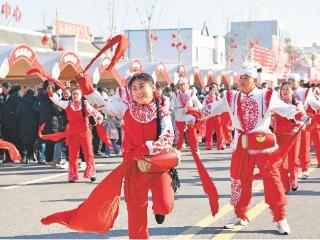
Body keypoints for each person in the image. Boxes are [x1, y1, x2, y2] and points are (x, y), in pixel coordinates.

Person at [191, 63, 310, 235]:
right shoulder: (231, 97)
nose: (242, 81)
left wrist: (301, 115)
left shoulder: (266, 96)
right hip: (241, 144)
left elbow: (285, 109)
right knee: (238, 180)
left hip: (263, 143)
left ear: (254, 80)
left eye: (246, 78)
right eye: (241, 78)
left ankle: (281, 218)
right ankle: (240, 216)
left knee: (272, 180)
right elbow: (212, 109)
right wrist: (194, 115)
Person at [47, 86, 103, 182]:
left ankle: (91, 173)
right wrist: (50, 91)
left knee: (89, 153)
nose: (75, 95)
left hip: (85, 131)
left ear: (81, 95)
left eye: (77, 94)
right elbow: (55, 100)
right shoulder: (67, 104)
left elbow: (94, 112)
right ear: (71, 95)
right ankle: (72, 175)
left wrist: (99, 118)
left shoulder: (85, 104)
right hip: (72, 132)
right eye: (73, 94)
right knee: (73, 155)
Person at [272, 82, 303, 192]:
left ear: (292, 91)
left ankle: (293, 178)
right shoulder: (277, 104)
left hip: (294, 135)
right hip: (280, 136)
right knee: (280, 161)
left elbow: (302, 117)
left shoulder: (297, 103)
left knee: (293, 160)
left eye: (287, 89)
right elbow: (271, 119)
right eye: (283, 89)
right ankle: (285, 184)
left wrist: (297, 126)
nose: (285, 91)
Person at [288, 73, 320, 178]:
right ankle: (291, 169)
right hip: (289, 123)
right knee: (290, 148)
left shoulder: (305, 92)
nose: (290, 83)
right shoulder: (285, 91)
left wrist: (317, 108)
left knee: (304, 147)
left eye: (292, 80)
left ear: (298, 81)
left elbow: (314, 103)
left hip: (303, 123)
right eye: (289, 80)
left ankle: (304, 169)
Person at [1, 81, 22, 162]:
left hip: (13, 123)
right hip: (5, 123)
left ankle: (15, 157)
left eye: (4, 89)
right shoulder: (4, 96)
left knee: (14, 141)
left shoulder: (16, 95)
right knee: (6, 141)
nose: (3, 91)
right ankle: (8, 158)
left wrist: (13, 116)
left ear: (9, 88)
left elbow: (18, 109)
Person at [15, 88, 38, 164]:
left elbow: (17, 114)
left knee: (25, 141)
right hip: (34, 125)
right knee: (33, 141)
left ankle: (27, 156)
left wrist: (18, 122)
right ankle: (32, 155)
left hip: (23, 125)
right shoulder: (35, 101)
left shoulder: (22, 102)